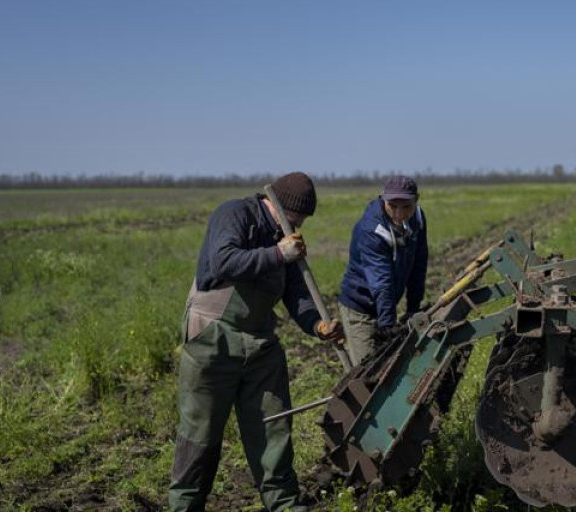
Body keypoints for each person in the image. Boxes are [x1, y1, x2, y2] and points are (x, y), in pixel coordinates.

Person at [169, 171, 342, 512]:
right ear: (273, 203)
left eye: (303, 219)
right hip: (212, 339)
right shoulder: (235, 214)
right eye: (295, 217)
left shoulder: (286, 235)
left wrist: (317, 325)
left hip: (259, 343)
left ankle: (285, 504)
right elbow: (224, 262)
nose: (298, 224)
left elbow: (297, 294)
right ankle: (185, 506)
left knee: (273, 427)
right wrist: (277, 253)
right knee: (200, 436)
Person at [337, 175, 429, 365]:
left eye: (406, 207)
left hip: (386, 302)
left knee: (391, 366)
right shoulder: (371, 230)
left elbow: (419, 264)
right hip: (360, 307)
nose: (399, 214)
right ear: (383, 200)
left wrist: (413, 308)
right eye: (393, 206)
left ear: (416, 200)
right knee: (367, 370)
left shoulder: (417, 220)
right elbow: (381, 281)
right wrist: (387, 326)